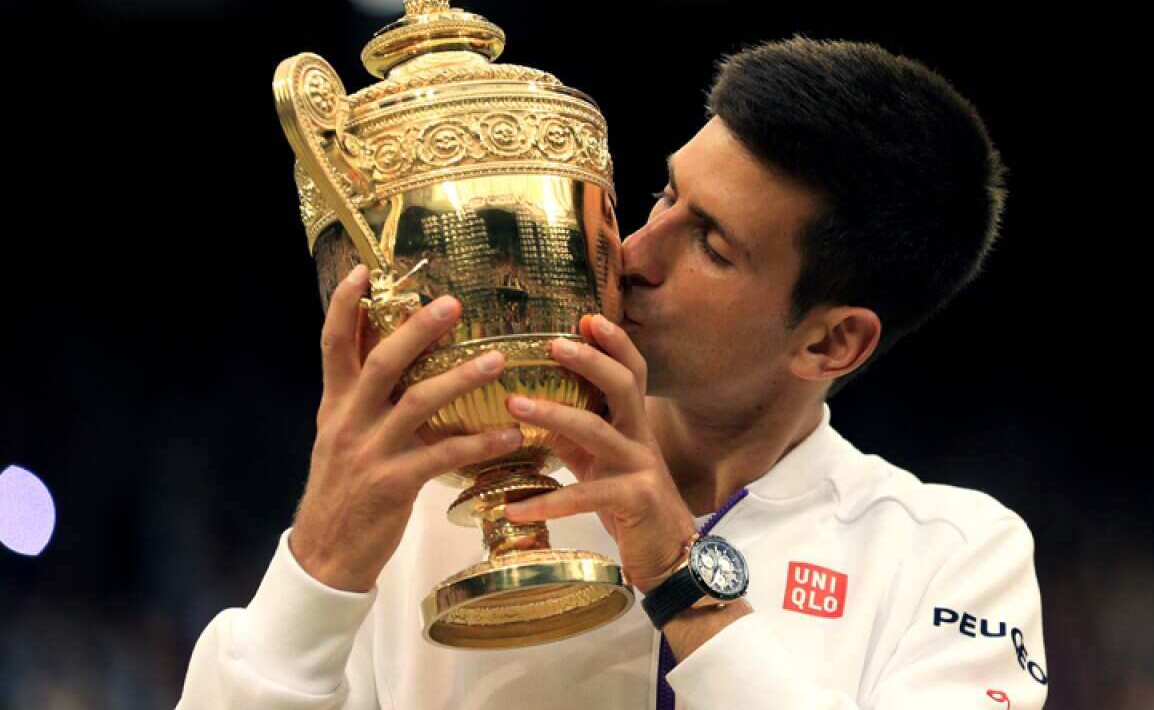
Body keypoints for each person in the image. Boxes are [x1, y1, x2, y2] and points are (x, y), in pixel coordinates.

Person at [178, 37, 1048, 709]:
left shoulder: (954, 556)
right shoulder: (438, 499)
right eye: (666, 195)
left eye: (709, 244)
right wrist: (318, 564)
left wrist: (679, 572)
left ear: (831, 344)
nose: (631, 253)